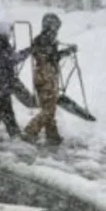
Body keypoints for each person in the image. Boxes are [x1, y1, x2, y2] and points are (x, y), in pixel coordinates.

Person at [22, 13, 76, 146]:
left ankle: (52, 135)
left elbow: (50, 55)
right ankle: (30, 131)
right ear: (50, 26)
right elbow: (52, 57)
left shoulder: (41, 39)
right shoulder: (46, 40)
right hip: (46, 75)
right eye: (55, 27)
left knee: (49, 106)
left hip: (42, 75)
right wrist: (67, 51)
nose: (56, 30)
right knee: (49, 108)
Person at [0, 21, 30, 141]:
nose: (10, 34)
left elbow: (9, 59)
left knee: (4, 109)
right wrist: (29, 51)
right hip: (1, 84)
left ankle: (12, 133)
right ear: (5, 32)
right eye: (9, 31)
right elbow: (13, 59)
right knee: (0, 110)